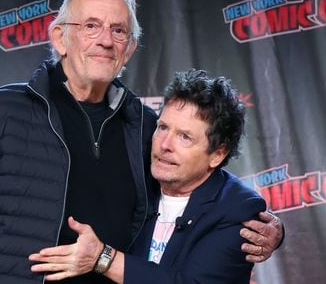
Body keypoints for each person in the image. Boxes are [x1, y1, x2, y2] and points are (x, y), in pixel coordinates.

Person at [0, 0, 282, 284]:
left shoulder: (144, 125)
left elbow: (197, 173)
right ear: (60, 39)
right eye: (90, 26)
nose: (105, 40)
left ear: (128, 50)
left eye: (118, 30)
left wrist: (269, 227)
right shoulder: (2, 111)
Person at [28, 70, 275, 283]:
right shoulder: (139, 178)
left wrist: (103, 258)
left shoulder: (239, 210)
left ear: (217, 154)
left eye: (185, 137)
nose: (164, 144)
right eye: (163, 127)